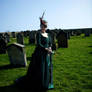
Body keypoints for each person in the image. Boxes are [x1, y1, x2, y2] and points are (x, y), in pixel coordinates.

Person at [15, 17, 54, 91]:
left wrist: (50, 48)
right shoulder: (39, 34)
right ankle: (40, 84)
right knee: (40, 69)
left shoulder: (48, 34)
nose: (44, 27)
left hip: (48, 54)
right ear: (40, 26)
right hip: (40, 54)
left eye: (45, 26)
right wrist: (46, 49)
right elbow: (39, 44)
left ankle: (47, 82)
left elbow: (50, 43)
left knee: (47, 68)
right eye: (43, 26)